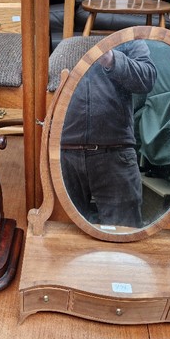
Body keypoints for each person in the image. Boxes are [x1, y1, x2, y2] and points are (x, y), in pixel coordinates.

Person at [60, 39, 157, 228]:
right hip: (65, 153)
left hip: (115, 151)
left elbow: (148, 78)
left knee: (124, 233)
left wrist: (113, 59)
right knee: (63, 233)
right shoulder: (66, 43)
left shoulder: (131, 41)